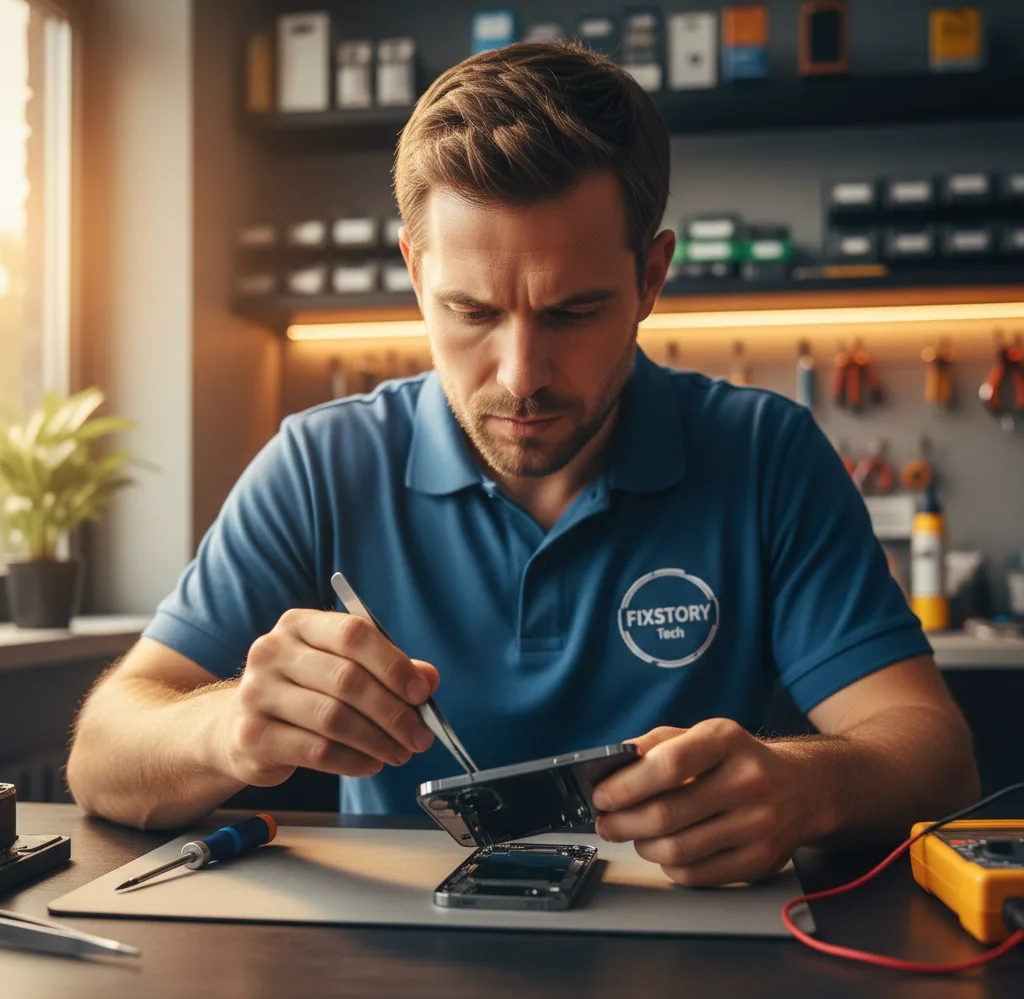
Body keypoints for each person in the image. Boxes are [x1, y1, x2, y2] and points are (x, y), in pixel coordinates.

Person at [67, 42, 979, 888]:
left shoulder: (764, 453)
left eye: (574, 312)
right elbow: (103, 755)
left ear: (651, 279)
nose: (521, 377)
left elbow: (933, 755)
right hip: (393, 964)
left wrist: (804, 786)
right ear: (417, 276)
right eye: (470, 312)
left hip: (692, 967)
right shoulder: (319, 464)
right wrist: (230, 728)